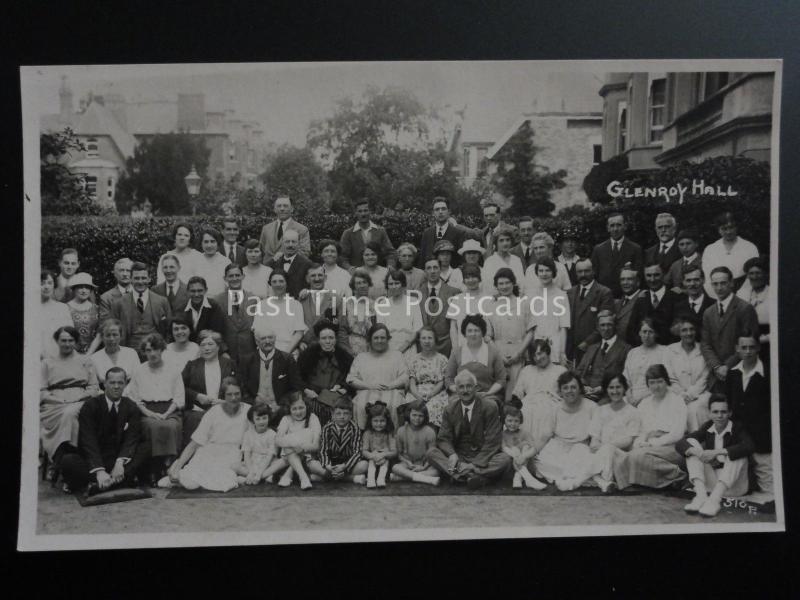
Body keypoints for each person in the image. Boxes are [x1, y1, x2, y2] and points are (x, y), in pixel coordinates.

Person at [59, 367, 150, 494]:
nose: (116, 386)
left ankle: (100, 486)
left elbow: (132, 437)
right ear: (105, 384)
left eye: (120, 383)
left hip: (119, 461)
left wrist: (120, 463)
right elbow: (88, 440)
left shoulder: (131, 406)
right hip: (96, 458)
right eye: (112, 383)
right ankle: (117, 482)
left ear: (125, 384)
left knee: (146, 447)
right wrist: (99, 470)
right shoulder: (91, 405)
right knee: (68, 460)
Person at [427, 370, 512, 488]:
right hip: (459, 456)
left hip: (482, 455)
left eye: (469, 386)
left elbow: (493, 441)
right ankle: (477, 478)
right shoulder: (449, 409)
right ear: (456, 390)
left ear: (476, 388)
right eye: (461, 387)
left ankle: (459, 476)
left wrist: (473, 464)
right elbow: (443, 438)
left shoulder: (490, 406)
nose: (465, 390)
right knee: (431, 453)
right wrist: (452, 454)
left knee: (505, 459)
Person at [163, 377, 249, 492]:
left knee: (223, 482)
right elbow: (194, 443)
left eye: (237, 394)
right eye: (229, 394)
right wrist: (178, 467)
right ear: (223, 396)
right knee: (191, 482)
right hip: (208, 452)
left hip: (231, 455)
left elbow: (253, 438)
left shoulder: (248, 411)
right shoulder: (214, 412)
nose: (233, 398)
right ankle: (177, 469)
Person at [611, 364, 688, 490]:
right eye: (652, 382)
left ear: (666, 381)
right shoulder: (644, 404)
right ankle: (658, 480)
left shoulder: (677, 401)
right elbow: (641, 432)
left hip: (672, 447)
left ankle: (677, 474)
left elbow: (677, 434)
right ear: (648, 385)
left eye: (660, 381)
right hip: (648, 447)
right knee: (622, 456)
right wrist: (641, 442)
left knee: (636, 457)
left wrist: (653, 443)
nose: (656, 386)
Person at [677, 394, 754, 517]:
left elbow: (749, 446)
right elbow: (680, 443)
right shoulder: (708, 426)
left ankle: (714, 501)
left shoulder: (737, 427)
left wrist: (717, 452)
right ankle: (701, 496)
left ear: (730, 413)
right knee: (691, 444)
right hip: (712, 484)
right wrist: (699, 453)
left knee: (737, 454)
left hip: (735, 486)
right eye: (715, 412)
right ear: (710, 413)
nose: (719, 416)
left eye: (723, 412)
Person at [125, 333, 185, 484]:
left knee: (170, 426)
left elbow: (179, 397)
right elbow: (134, 398)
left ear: (162, 350)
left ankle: (168, 465)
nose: (152, 354)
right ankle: (155, 468)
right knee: (154, 426)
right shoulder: (139, 370)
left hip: (169, 410)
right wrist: (150, 413)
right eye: (148, 350)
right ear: (144, 353)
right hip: (146, 411)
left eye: (155, 349)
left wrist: (166, 413)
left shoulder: (173, 369)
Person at [40, 326, 100, 475]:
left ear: (76, 341)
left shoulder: (85, 360)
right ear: (57, 341)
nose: (67, 344)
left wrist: (77, 398)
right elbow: (41, 391)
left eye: (70, 340)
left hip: (80, 401)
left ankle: (61, 462)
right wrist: (58, 400)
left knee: (71, 413)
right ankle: (64, 462)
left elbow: (93, 388)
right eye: (63, 340)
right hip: (54, 405)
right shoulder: (47, 362)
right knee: (68, 414)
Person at [725, 333, 772, 504]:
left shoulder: (768, 373)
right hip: (739, 435)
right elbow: (729, 405)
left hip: (762, 436)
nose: (748, 351)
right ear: (737, 349)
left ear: (758, 348)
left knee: (768, 485)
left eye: (752, 347)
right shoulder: (732, 374)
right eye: (743, 347)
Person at [533, 371, 597, 491]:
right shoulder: (555, 408)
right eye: (565, 388)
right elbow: (545, 436)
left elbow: (596, 436)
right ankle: (579, 477)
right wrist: (532, 452)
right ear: (561, 391)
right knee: (539, 463)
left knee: (585, 458)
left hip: (580, 448)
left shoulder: (592, 407)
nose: (569, 391)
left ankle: (567, 478)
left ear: (580, 389)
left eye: (573, 387)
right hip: (558, 448)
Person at [700, 266, 759, 390]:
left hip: (740, 372)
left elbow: (749, 343)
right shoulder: (708, 312)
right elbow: (705, 344)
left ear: (731, 283)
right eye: (715, 284)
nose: (719, 288)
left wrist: (727, 366)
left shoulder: (745, 308)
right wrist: (716, 367)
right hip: (715, 376)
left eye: (723, 283)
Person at [583, 373, 641, 492]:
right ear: (606, 389)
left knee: (608, 450)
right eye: (611, 388)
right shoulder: (600, 410)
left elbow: (628, 440)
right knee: (579, 448)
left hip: (620, 455)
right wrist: (595, 444)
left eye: (618, 387)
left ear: (624, 388)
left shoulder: (633, 412)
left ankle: (596, 478)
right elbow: (595, 436)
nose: (615, 391)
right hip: (600, 452)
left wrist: (605, 446)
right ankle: (603, 482)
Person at [181, 329, 238, 446]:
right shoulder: (192, 365)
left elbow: (239, 389)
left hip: (224, 410)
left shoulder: (230, 364)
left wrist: (225, 401)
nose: (206, 348)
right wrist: (197, 396)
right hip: (198, 411)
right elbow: (180, 388)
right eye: (203, 345)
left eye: (210, 344)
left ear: (218, 347)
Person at [346, 323, 409, 429]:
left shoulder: (397, 355)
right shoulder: (361, 357)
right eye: (376, 338)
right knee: (361, 405)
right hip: (367, 391)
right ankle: (363, 436)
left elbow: (405, 377)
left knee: (393, 405)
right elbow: (351, 379)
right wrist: (370, 386)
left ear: (388, 339)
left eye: (382, 338)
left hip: (392, 391)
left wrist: (390, 385)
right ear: (370, 340)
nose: (379, 341)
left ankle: (393, 438)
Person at [486, 268, 534, 404]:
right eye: (500, 284)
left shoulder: (524, 304)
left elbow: (531, 331)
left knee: (515, 395)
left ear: (513, 283)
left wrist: (519, 353)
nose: (504, 286)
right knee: (497, 394)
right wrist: (499, 355)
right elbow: (488, 336)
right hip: (498, 355)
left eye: (507, 282)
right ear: (496, 286)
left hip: (519, 355)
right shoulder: (491, 306)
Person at [511, 339, 567, 449]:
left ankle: (539, 449)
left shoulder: (560, 371)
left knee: (545, 414)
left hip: (552, 405)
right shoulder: (527, 370)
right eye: (534, 355)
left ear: (548, 352)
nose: (538, 358)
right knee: (524, 411)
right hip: (529, 404)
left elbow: (566, 396)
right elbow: (517, 394)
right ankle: (524, 448)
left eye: (540, 353)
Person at [297, 320, 353, 426]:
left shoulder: (345, 357)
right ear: (318, 339)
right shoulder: (307, 355)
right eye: (324, 338)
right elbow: (297, 377)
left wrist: (342, 388)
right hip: (312, 395)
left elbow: (351, 377)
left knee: (339, 409)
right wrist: (306, 390)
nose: (328, 341)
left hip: (335, 396)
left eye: (331, 338)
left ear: (336, 339)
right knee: (313, 408)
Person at [110, 262, 172, 357]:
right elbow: (114, 331)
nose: (140, 281)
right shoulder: (119, 303)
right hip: (129, 353)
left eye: (143, 278)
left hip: (155, 352)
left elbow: (169, 330)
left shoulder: (162, 301)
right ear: (131, 279)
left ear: (149, 279)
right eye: (136, 278)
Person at [240, 328, 305, 417]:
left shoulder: (287, 359)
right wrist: (254, 402)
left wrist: (281, 406)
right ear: (257, 341)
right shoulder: (247, 360)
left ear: (275, 339)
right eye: (263, 338)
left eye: (270, 337)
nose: (267, 341)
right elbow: (242, 388)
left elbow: (296, 388)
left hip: (280, 410)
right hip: (254, 411)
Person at [664, 317, 710, 431]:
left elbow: (705, 377)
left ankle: (697, 440)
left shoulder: (704, 349)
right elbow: (669, 377)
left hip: (700, 394)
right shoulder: (670, 350)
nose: (688, 333)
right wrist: (682, 395)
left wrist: (690, 395)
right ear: (678, 332)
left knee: (694, 409)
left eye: (692, 329)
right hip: (676, 394)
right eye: (684, 330)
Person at [565, 258, 615, 363]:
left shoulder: (604, 292)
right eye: (579, 272)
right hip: (571, 350)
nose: (583, 274)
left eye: (587, 271)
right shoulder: (570, 293)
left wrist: (587, 342)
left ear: (593, 271)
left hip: (593, 348)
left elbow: (605, 324)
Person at [576, 310, 631, 403]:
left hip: (610, 396)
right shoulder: (592, 348)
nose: (606, 328)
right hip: (586, 394)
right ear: (597, 327)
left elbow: (626, 379)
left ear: (615, 326)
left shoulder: (626, 349)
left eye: (609, 325)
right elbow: (579, 372)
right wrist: (584, 387)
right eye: (602, 325)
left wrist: (602, 388)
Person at [269, 394, 322, 489]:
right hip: (288, 458)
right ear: (289, 409)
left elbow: (316, 445)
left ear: (307, 406)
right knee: (288, 442)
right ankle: (303, 477)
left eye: (301, 408)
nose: (298, 412)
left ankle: (289, 474)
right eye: (294, 409)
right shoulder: (286, 418)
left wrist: (302, 447)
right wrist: (294, 444)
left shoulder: (313, 418)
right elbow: (277, 440)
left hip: (308, 458)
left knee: (308, 433)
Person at [212, 263, 259, 370]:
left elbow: (258, 326)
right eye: (231, 276)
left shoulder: (253, 299)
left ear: (243, 276)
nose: (234, 279)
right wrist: (223, 351)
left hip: (249, 353)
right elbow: (215, 329)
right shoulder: (217, 301)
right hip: (227, 354)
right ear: (225, 278)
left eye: (237, 275)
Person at [701, 211, 759, 296]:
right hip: (717, 294)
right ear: (718, 230)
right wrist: (715, 295)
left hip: (745, 294)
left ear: (736, 227)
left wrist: (743, 294)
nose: (728, 232)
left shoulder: (750, 247)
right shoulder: (710, 249)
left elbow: (753, 275)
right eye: (724, 228)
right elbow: (706, 276)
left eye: (731, 227)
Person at [251, 271, 307, 355]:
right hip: (266, 350)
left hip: (289, 352)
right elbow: (257, 330)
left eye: (281, 281)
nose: (278, 284)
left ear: (287, 283)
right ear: (270, 284)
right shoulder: (262, 305)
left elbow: (299, 332)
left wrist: (285, 353)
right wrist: (268, 351)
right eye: (274, 281)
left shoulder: (296, 305)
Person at [590, 212, 643, 298]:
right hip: (603, 297)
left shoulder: (635, 249)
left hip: (626, 297)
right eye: (612, 225)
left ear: (624, 226)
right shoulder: (598, 249)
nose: (615, 229)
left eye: (619, 225)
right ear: (608, 228)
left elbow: (639, 276)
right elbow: (594, 276)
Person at [315, 396, 368, 483]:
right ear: (333, 414)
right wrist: (328, 466)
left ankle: (327, 477)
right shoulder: (327, 428)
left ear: (351, 415)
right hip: (331, 463)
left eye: (346, 413)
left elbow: (357, 452)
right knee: (312, 464)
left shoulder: (355, 428)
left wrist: (344, 466)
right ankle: (351, 478)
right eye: (338, 413)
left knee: (364, 465)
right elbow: (323, 450)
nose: (342, 417)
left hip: (347, 464)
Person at [626, 262, 680, 346]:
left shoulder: (675, 298)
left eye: (656, 275)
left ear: (664, 275)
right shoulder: (641, 299)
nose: (652, 279)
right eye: (648, 275)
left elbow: (678, 331)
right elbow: (631, 331)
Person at [528, 257, 570, 363]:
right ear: (537, 273)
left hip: (555, 344)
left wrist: (562, 352)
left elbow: (563, 327)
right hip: (536, 344)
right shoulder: (531, 295)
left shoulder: (562, 295)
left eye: (547, 270)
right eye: (541, 271)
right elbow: (529, 327)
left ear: (553, 273)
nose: (544, 274)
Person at [406, 326, 450, 429]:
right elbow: (412, 382)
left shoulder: (442, 359)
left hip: (436, 392)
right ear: (419, 340)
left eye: (430, 338)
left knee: (434, 406)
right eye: (424, 338)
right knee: (412, 406)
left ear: (435, 340)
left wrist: (431, 394)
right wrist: (417, 396)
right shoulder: (413, 359)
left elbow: (441, 382)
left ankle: (432, 436)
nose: (427, 341)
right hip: (417, 391)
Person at [375, 269, 423, 360]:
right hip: (388, 347)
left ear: (403, 284)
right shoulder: (382, 304)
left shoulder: (413, 302)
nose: (394, 286)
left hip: (409, 346)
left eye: (397, 283)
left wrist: (403, 348)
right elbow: (381, 330)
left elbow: (417, 328)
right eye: (391, 284)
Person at [390, 400, 440, 485]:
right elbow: (399, 454)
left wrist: (424, 467)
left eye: (420, 416)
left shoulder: (430, 432)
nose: (417, 418)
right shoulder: (401, 430)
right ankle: (424, 479)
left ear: (425, 417)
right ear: (408, 414)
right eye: (414, 415)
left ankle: (403, 477)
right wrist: (407, 462)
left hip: (425, 464)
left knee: (436, 472)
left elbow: (433, 455)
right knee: (395, 467)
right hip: (407, 464)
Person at [417, 257, 458, 358]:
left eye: (435, 268)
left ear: (440, 270)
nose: (432, 271)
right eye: (429, 268)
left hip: (446, 345)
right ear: (425, 272)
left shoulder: (454, 292)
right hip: (423, 345)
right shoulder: (417, 294)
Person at [339, 198, 396, 271]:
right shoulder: (348, 233)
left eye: (365, 210)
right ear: (356, 213)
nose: (363, 214)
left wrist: (390, 266)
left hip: (377, 275)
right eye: (360, 211)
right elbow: (342, 256)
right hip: (357, 276)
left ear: (370, 211)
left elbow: (390, 252)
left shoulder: (380, 231)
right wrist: (349, 268)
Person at [447, 264, 494, 351]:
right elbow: (453, 327)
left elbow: (492, 325)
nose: (471, 280)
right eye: (467, 278)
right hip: (463, 346)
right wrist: (455, 348)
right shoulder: (457, 299)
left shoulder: (488, 299)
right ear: (464, 280)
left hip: (484, 346)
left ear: (479, 279)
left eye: (474, 277)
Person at [622, 318, 668, 406]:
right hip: (631, 398)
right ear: (639, 333)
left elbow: (665, 381)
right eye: (644, 331)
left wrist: (641, 399)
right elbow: (626, 380)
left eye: (651, 332)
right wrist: (630, 397)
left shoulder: (664, 352)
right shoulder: (633, 353)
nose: (647, 335)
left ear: (656, 334)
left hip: (654, 396)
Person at [502, 405, 547, 489]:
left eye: (516, 421)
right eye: (509, 421)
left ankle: (518, 477)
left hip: (526, 463)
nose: (513, 424)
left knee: (526, 445)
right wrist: (515, 454)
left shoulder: (525, 433)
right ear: (504, 421)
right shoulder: (503, 435)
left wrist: (523, 456)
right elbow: (504, 448)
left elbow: (534, 448)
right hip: (510, 466)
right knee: (514, 449)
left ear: (520, 422)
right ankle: (528, 479)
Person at [298, 263, 342, 350]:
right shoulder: (301, 299)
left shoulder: (336, 298)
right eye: (313, 275)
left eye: (320, 275)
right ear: (307, 279)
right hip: (306, 347)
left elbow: (341, 327)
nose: (317, 279)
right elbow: (296, 326)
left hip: (329, 347)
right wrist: (300, 342)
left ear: (325, 278)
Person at [418, 196, 471, 268]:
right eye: (437, 209)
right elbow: (422, 260)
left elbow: (461, 261)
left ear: (449, 211)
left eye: (443, 209)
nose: (440, 212)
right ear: (433, 213)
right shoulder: (427, 233)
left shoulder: (459, 233)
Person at [259, 195, 311, 264]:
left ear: (292, 209)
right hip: (268, 271)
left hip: (290, 271)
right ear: (274, 209)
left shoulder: (302, 229)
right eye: (279, 206)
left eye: (285, 206)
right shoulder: (266, 228)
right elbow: (260, 251)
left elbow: (305, 253)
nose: (282, 209)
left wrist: (284, 256)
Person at [90, 319, 141, 387]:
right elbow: (94, 385)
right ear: (102, 337)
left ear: (121, 336)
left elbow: (138, 379)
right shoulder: (94, 358)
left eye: (115, 335)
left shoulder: (131, 353)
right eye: (108, 335)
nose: (111, 339)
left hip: (130, 393)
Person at [736, 256, 770, 359]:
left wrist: (762, 340)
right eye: (751, 273)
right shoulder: (741, 294)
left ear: (766, 274)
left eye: (758, 273)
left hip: (766, 344)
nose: (754, 277)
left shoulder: (773, 294)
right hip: (743, 344)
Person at [236, 403, 277, 485]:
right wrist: (251, 471)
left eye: (264, 418)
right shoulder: (248, 434)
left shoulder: (272, 434)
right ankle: (255, 477)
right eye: (258, 419)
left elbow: (270, 456)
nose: (261, 421)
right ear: (252, 420)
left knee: (279, 464)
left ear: (269, 418)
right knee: (234, 466)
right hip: (252, 462)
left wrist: (259, 472)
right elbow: (246, 455)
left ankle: (257, 477)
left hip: (267, 463)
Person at [265, 229, 314, 299]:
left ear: (298, 244)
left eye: (293, 242)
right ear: (282, 243)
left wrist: (308, 291)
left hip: (298, 304)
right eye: (287, 242)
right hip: (277, 304)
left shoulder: (307, 264)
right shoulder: (274, 263)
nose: (290, 245)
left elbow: (313, 285)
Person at [360, 401, 397, 488]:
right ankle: (371, 479)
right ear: (370, 421)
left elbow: (394, 451)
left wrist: (383, 455)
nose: (379, 424)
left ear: (387, 421)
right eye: (375, 421)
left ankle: (381, 479)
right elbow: (364, 451)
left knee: (385, 461)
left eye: (382, 421)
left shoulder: (389, 433)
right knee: (371, 461)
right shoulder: (367, 433)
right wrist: (373, 456)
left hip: (386, 459)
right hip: (372, 458)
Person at [339, 269, 376, 356]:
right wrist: (347, 351)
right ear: (353, 287)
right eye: (358, 283)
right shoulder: (346, 304)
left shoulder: (374, 305)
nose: (362, 285)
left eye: (364, 282)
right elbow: (342, 330)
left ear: (368, 284)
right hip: (351, 347)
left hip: (371, 348)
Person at [672, 264, 715, 338]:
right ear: (683, 282)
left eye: (696, 280)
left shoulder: (714, 305)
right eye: (688, 280)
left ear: (703, 280)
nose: (692, 284)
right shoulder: (678, 307)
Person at [181, 276, 226, 343]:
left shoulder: (214, 306)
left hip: (210, 346)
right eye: (193, 291)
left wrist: (210, 334)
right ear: (187, 291)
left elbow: (219, 333)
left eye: (200, 291)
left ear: (206, 290)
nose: (196, 294)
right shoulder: (182, 308)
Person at [482, 226, 524, 296]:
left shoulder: (516, 260)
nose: (505, 243)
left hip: (515, 299)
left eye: (508, 240)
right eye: (501, 240)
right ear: (496, 243)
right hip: (497, 300)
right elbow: (487, 286)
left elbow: (522, 283)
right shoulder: (489, 262)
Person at [41, 269, 74, 359]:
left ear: (54, 285)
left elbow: (70, 335)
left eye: (50, 283)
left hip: (59, 358)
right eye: (42, 283)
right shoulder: (30, 309)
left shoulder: (62, 308)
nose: (46, 287)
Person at [66, 273, 102, 354]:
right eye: (80, 287)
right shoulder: (65, 308)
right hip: (70, 353)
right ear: (74, 288)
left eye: (87, 287)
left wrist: (88, 354)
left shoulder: (97, 309)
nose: (84, 290)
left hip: (93, 353)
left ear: (91, 290)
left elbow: (99, 335)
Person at [194, 228, 231, 297]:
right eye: (206, 242)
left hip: (220, 302)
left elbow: (230, 285)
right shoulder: (195, 260)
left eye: (212, 241)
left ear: (218, 243)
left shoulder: (226, 262)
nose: (209, 245)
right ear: (201, 243)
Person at [644, 213, 682, 278]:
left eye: (667, 227)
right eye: (660, 227)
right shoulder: (649, 252)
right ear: (656, 230)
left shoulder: (682, 249)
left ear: (674, 228)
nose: (663, 230)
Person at [614, 267, 645, 346]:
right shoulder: (618, 303)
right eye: (622, 279)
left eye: (629, 279)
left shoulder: (644, 299)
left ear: (638, 282)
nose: (625, 282)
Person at [666, 228, 702, 293]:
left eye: (688, 243)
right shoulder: (675, 265)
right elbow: (665, 283)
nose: (685, 247)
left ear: (696, 244)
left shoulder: (704, 261)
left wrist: (683, 291)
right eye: (681, 244)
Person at [98, 257, 133, 322]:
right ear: (115, 273)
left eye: (128, 271)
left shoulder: (141, 294)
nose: (125, 274)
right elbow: (106, 324)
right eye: (121, 270)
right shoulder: (106, 298)